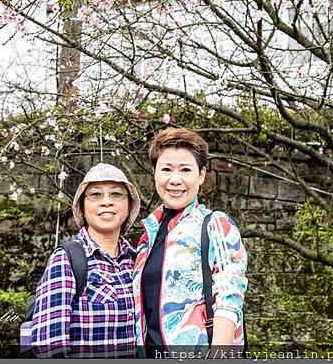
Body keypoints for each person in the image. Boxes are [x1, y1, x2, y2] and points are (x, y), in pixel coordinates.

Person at [133, 127, 248, 358]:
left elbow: (229, 301)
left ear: (201, 175)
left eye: (185, 170)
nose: (175, 180)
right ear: (154, 173)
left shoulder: (215, 225)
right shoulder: (146, 239)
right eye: (166, 169)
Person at [29, 163, 140, 358]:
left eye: (116, 194)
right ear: (82, 206)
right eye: (95, 195)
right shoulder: (67, 259)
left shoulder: (137, 260)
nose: (107, 201)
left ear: (129, 204)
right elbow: (49, 346)